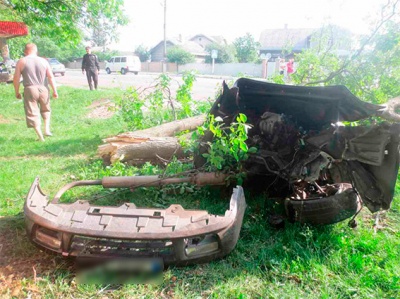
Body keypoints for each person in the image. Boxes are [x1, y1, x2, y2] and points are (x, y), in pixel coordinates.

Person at [13, 43, 58, 142]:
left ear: (25, 51)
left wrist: (16, 91)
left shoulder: (22, 61)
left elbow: (16, 78)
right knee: (46, 109)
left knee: (32, 112)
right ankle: (46, 129)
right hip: (43, 88)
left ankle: (40, 137)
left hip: (30, 88)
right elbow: (50, 77)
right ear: (36, 50)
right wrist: (55, 91)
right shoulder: (44, 61)